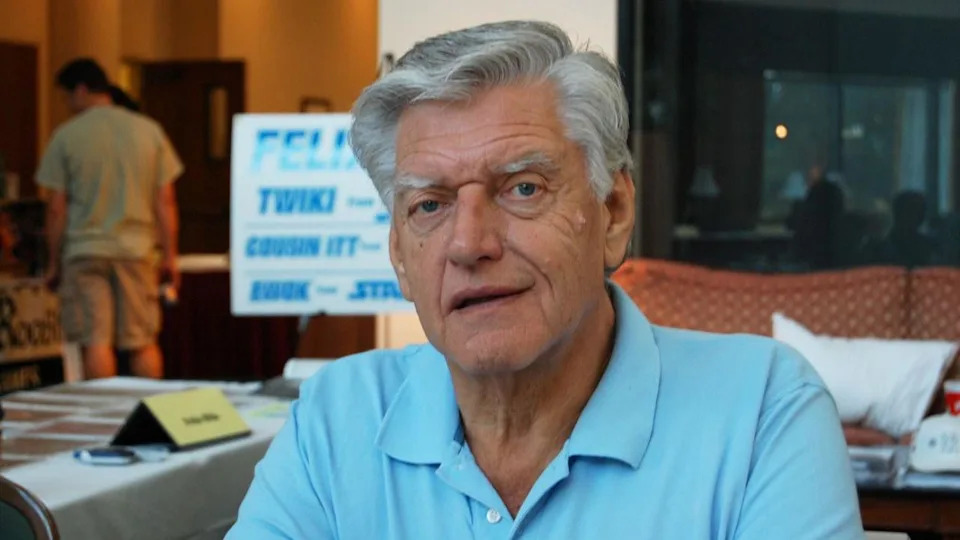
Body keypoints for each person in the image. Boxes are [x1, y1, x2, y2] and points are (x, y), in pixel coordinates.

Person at [228, 21, 862, 539]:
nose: (470, 244)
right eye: (430, 204)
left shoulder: (762, 413)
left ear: (613, 214)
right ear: (399, 254)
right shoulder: (337, 417)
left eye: (523, 188)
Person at [35, 58, 182, 379]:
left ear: (82, 90)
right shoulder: (148, 131)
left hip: (85, 250)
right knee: (142, 341)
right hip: (136, 250)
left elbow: (57, 208)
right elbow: (165, 201)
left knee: (95, 341)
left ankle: (102, 419)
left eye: (67, 97)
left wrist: (54, 261)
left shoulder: (65, 136)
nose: (67, 105)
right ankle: (148, 413)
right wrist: (170, 256)